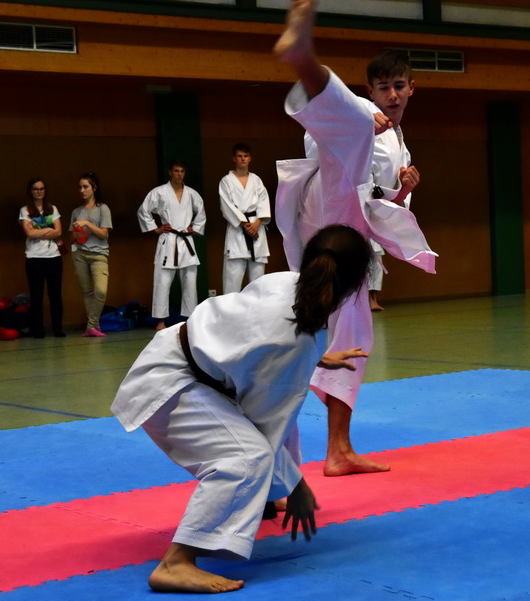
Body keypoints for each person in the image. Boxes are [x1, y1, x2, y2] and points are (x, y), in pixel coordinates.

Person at [111, 224, 372, 594]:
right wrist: (295, 485)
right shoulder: (297, 343)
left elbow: (253, 338)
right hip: (172, 382)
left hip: (182, 354)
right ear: (356, 285)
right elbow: (263, 428)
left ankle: (203, 541)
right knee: (247, 459)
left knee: (256, 454)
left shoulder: (288, 283)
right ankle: (176, 562)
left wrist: (313, 357)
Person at [274, 0, 436, 476]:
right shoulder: (369, 118)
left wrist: (404, 194)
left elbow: (380, 209)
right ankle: (303, 58)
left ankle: (338, 449)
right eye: (382, 86)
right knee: (353, 128)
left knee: (349, 337)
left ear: (412, 89)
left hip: (344, 234)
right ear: (371, 89)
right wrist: (368, 118)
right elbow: (322, 142)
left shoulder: (400, 141)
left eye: (399, 86)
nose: (391, 93)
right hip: (328, 209)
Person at [138, 159, 206, 330]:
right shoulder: (159, 192)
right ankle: (160, 321)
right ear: (170, 172)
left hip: (186, 240)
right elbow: (143, 210)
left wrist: (195, 227)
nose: (179, 174)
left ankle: (189, 319)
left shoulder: (192, 194)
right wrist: (155, 228)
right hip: (168, 240)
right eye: (176, 171)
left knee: (190, 281)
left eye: (182, 171)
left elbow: (201, 213)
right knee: (162, 281)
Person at [219, 143, 271, 294]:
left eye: (245, 156)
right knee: (232, 281)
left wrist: (256, 223)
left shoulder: (256, 181)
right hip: (237, 232)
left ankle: (256, 315)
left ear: (250, 159)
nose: (243, 159)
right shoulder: (226, 181)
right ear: (234, 159)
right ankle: (229, 315)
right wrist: (245, 224)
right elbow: (226, 206)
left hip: (256, 230)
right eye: (239, 156)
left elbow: (263, 202)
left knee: (258, 282)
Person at [19, 178, 65, 338]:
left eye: (41, 188)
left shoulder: (52, 209)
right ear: (30, 191)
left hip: (54, 256)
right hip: (34, 257)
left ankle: (58, 328)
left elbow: (59, 231)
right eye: (35, 189)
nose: (39, 191)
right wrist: (48, 229)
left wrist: (39, 230)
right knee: (36, 295)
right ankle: (38, 329)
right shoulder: (25, 210)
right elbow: (29, 233)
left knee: (55, 294)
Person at [70, 172, 112, 337]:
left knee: (100, 290)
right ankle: (94, 327)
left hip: (99, 255)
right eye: (80, 187)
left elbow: (104, 233)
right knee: (87, 291)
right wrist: (77, 232)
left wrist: (87, 223)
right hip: (79, 254)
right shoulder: (76, 211)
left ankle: (91, 325)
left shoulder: (103, 209)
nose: (82, 190)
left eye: (85, 186)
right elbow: (71, 237)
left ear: (94, 188)